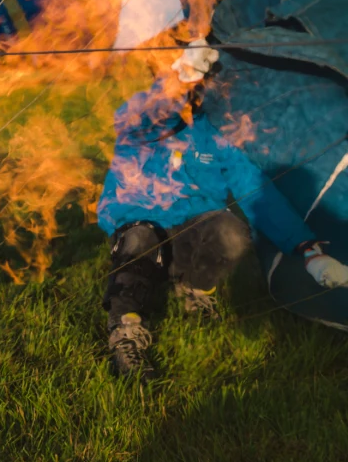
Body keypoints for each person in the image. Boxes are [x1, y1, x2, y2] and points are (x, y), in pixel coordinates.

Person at [98, 39, 348, 379]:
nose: (198, 89)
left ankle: (195, 290)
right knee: (139, 241)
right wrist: (177, 82)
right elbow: (150, 117)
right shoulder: (143, 115)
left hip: (191, 234)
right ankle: (125, 333)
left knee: (231, 232)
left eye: (202, 82)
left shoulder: (212, 135)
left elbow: (256, 190)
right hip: (142, 226)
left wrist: (306, 248)